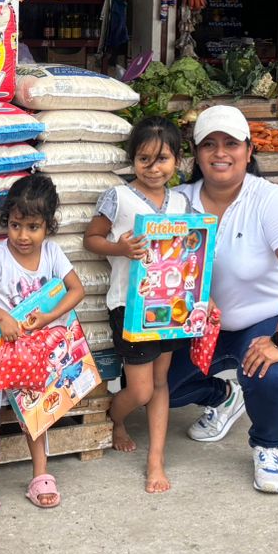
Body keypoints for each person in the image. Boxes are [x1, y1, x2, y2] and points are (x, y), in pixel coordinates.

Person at [166, 106, 278, 494]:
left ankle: (268, 445)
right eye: (209, 144)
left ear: (248, 151)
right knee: (156, 386)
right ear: (196, 153)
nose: (220, 153)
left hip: (265, 319)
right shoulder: (176, 202)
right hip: (202, 325)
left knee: (268, 373)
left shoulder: (269, 199)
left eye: (231, 144)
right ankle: (223, 396)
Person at [0, 174, 84, 517]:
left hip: (37, 353)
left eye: (33, 227)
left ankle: (40, 475)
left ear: (48, 226)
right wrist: (2, 317)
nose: (22, 235)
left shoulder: (53, 253)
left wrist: (49, 318)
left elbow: (77, 290)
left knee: (36, 412)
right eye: (15, 225)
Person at [83, 116, 189, 493]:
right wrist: (119, 248)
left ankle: (155, 460)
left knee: (160, 383)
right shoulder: (119, 197)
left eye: (162, 159)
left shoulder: (182, 202)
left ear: (177, 161)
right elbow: (91, 239)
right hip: (129, 306)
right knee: (141, 390)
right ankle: (116, 415)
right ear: (133, 160)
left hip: (171, 307)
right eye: (144, 159)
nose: (153, 167)